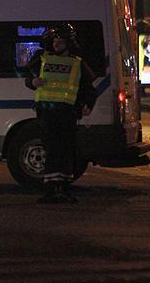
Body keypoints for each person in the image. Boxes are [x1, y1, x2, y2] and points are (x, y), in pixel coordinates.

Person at [25, 23, 97, 204]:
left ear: (69, 42)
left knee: (66, 151)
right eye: (54, 40)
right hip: (47, 113)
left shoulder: (77, 63)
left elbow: (88, 88)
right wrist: (33, 82)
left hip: (67, 113)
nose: (56, 43)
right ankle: (50, 189)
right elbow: (28, 77)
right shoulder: (42, 59)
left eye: (60, 40)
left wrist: (88, 104)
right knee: (51, 150)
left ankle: (63, 188)